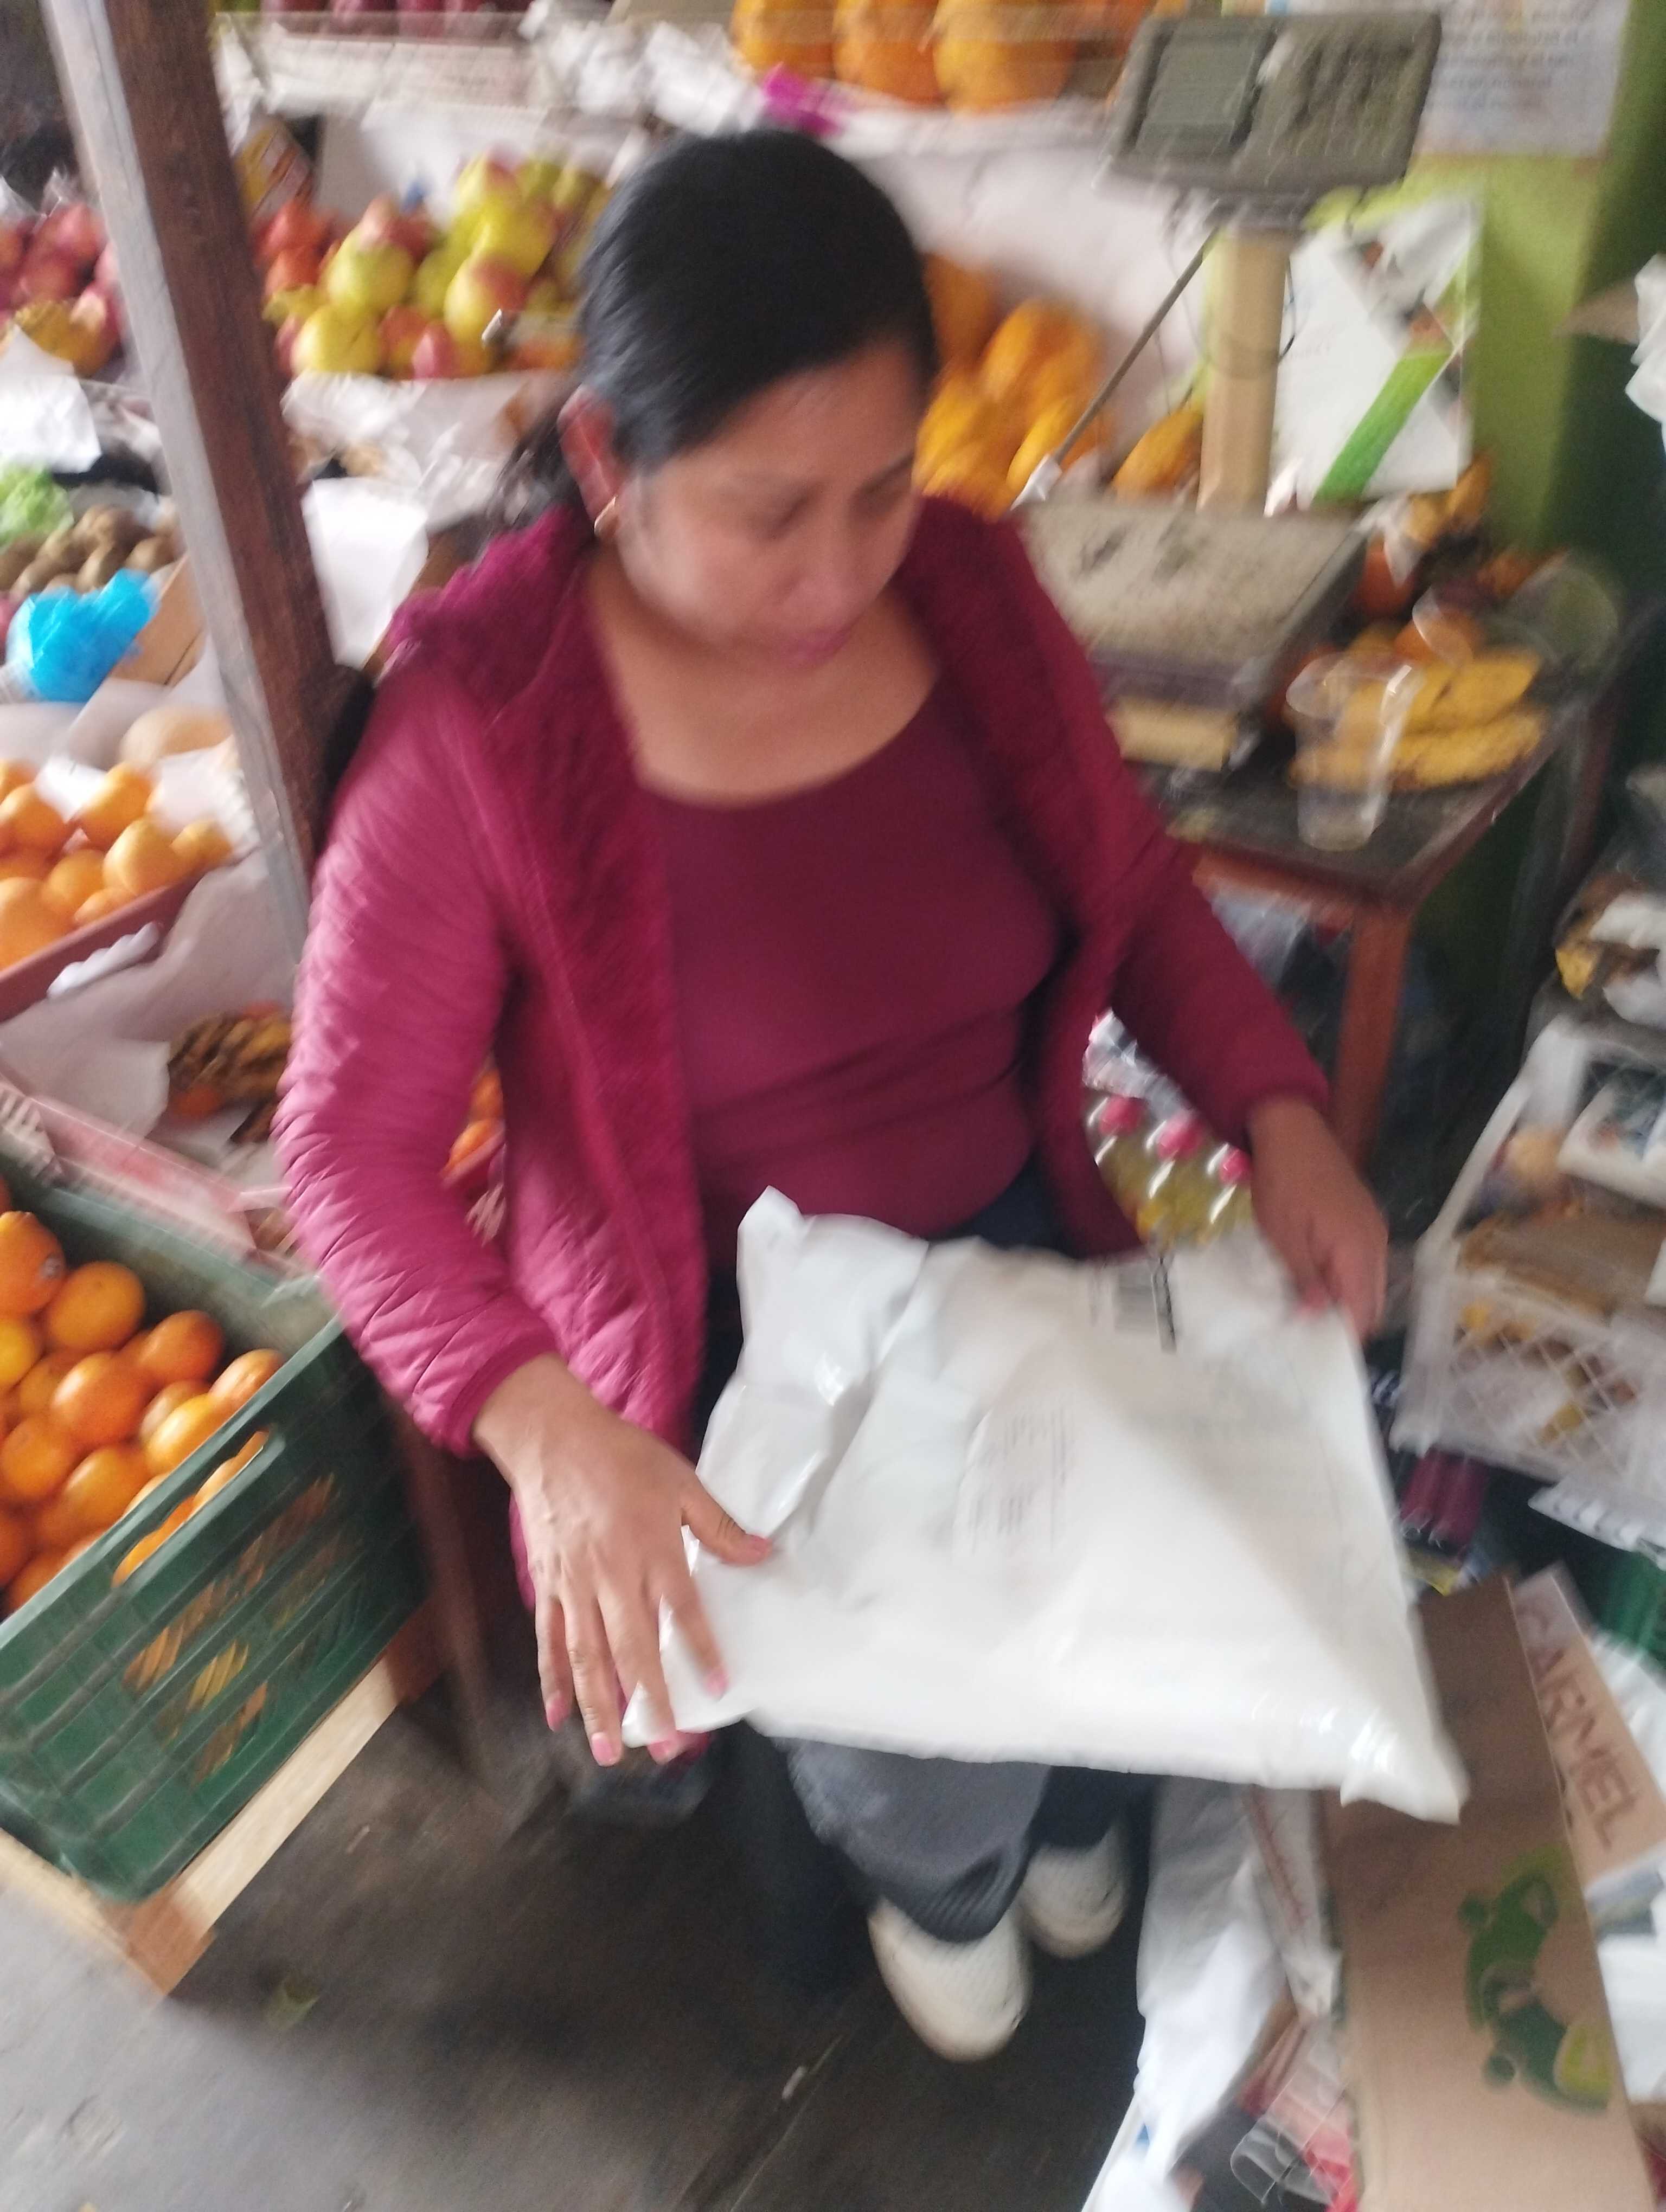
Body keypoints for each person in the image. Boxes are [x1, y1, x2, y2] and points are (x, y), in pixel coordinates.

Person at [277, 130, 1387, 2063]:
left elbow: (1134, 899)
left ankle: (1048, 1823)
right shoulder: (483, 727)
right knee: (924, 1759)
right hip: (718, 1345)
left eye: (883, 490)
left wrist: (1279, 1115)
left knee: (1128, 1615)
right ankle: (937, 1883)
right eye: (768, 512)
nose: (840, 568)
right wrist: (544, 1431)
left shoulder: (970, 594)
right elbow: (349, 1158)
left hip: (1016, 1254)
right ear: (606, 462)